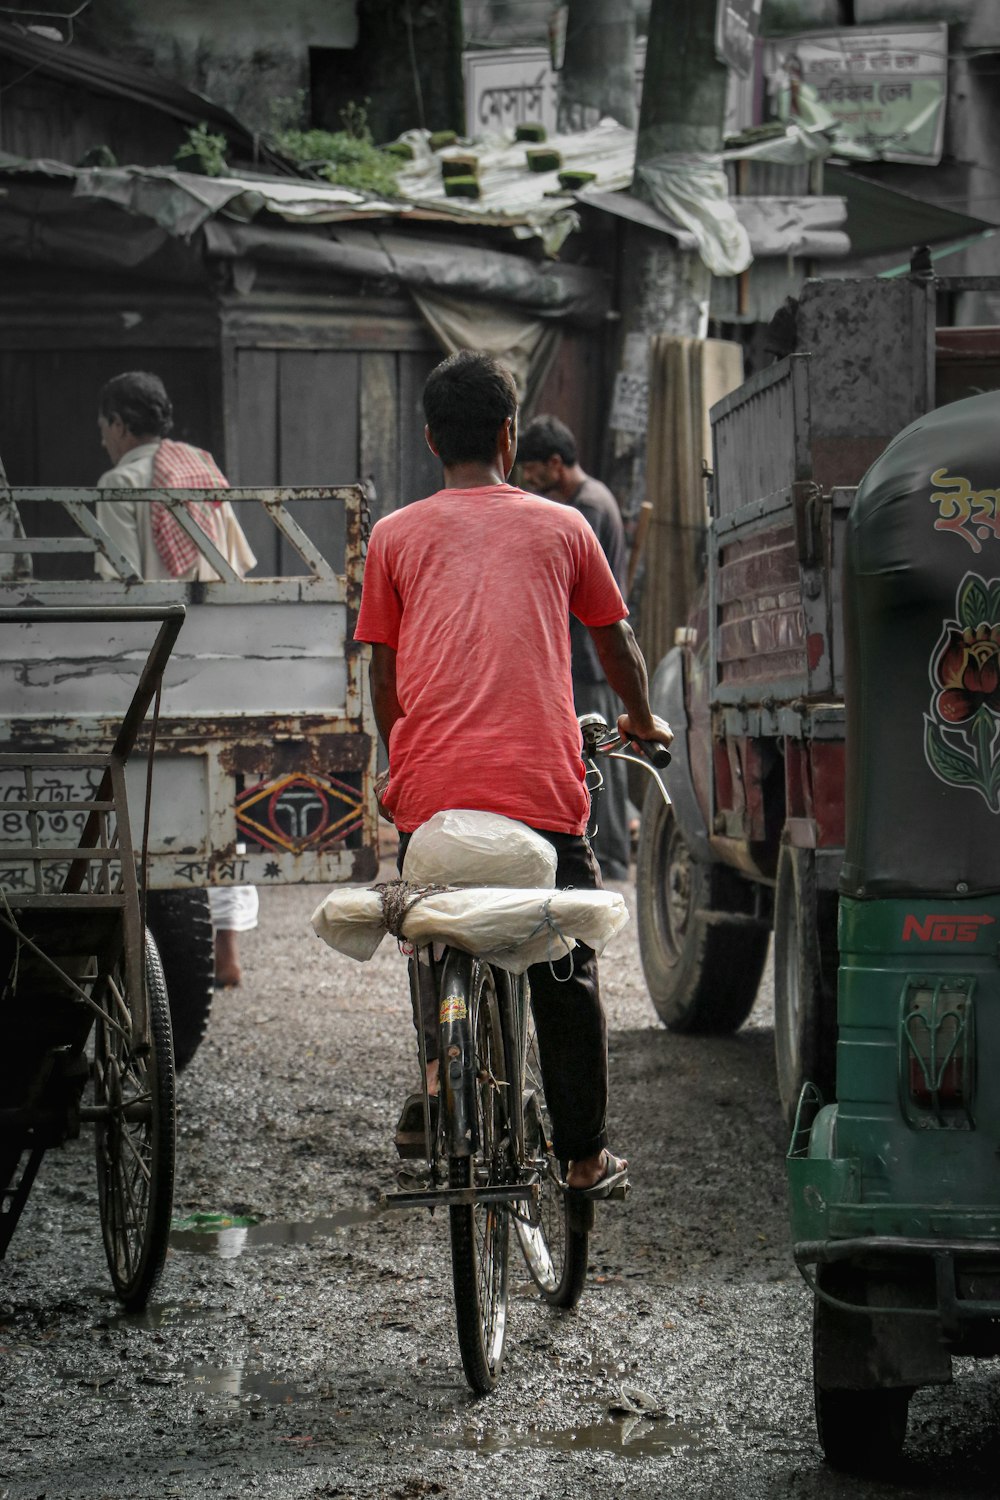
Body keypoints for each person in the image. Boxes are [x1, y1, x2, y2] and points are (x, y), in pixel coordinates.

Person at [354, 351, 672, 1197]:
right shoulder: (565, 526)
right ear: (507, 433)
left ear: (428, 440)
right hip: (540, 795)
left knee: (431, 931)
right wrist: (640, 721)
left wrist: (407, 760)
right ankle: (583, 1158)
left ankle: (435, 1083)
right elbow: (617, 648)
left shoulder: (392, 537)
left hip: (431, 796)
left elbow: (381, 679)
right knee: (566, 961)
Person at [94, 369, 258, 987]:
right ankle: (227, 950)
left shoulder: (121, 482)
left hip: (158, 663)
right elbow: (237, 563)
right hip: (219, 657)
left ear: (118, 422)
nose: (103, 438)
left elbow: (119, 591)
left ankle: (137, 943)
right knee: (225, 804)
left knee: (150, 801)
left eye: (103, 427)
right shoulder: (202, 466)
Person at [517, 414, 633, 881]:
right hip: (588, 656)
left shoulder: (589, 508)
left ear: (555, 463)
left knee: (600, 757)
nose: (526, 479)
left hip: (590, 657)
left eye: (532, 469)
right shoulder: (592, 500)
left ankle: (612, 858)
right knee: (592, 755)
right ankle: (606, 854)